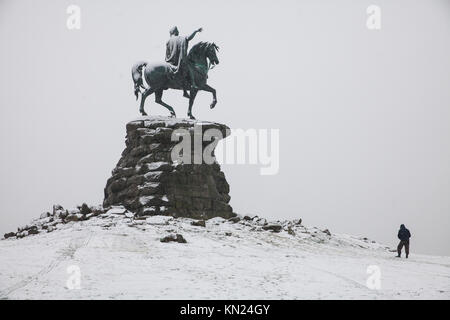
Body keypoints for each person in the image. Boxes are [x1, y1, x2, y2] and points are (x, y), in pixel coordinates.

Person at [165, 26, 203, 97]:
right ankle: (193, 84)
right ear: (175, 32)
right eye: (178, 31)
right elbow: (189, 37)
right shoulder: (181, 39)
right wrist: (196, 31)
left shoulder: (168, 41)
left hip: (170, 62)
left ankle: (185, 91)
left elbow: (167, 54)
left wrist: (167, 62)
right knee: (189, 68)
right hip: (180, 61)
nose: (179, 32)